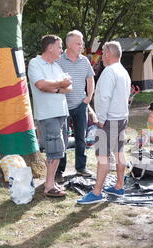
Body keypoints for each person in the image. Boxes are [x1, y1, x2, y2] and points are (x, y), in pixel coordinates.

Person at [77, 41, 131, 205]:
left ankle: (97, 192)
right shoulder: (123, 71)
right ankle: (119, 186)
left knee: (103, 156)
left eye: (103, 52)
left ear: (108, 53)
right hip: (121, 117)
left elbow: (104, 98)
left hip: (109, 120)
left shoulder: (109, 72)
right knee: (119, 152)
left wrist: (100, 119)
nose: (101, 56)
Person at [28, 34, 73, 198]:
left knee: (60, 149)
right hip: (48, 114)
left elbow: (69, 87)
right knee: (55, 150)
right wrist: (61, 84)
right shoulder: (35, 63)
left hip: (61, 112)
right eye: (60, 47)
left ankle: (51, 182)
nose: (62, 50)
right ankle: (48, 186)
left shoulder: (56, 66)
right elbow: (41, 85)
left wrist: (56, 87)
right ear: (51, 47)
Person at [56, 30, 95, 177]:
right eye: (78, 43)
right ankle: (60, 169)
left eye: (82, 42)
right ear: (69, 44)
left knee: (81, 138)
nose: (82, 45)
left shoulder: (84, 60)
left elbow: (90, 79)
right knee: (62, 139)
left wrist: (88, 98)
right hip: (62, 106)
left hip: (80, 105)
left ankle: (81, 167)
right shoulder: (58, 61)